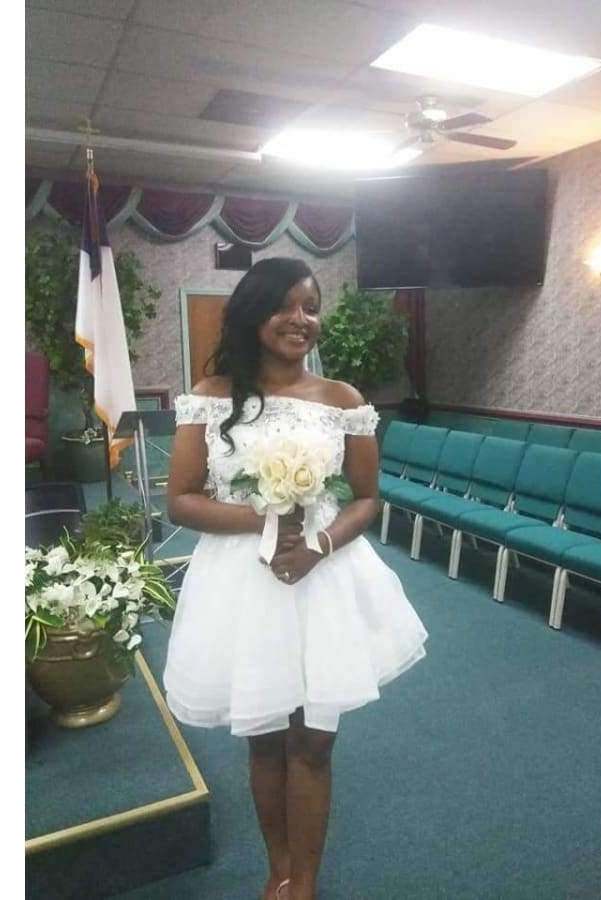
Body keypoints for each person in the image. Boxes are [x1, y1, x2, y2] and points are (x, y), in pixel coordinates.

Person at [163, 257, 429, 900]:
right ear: (254, 314)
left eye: (311, 307)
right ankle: (276, 869)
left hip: (321, 578)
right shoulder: (210, 394)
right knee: (264, 741)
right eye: (285, 306)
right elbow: (181, 501)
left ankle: (303, 884)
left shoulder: (344, 400)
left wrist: (318, 544)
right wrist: (262, 518)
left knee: (312, 743)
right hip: (241, 583)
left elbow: (366, 498)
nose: (300, 319)